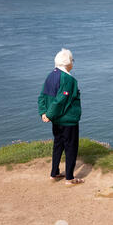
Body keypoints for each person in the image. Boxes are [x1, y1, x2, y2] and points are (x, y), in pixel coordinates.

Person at [38, 48, 83, 186]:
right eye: (72, 60)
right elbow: (61, 100)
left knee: (58, 144)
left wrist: (44, 113)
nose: (73, 63)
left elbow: (42, 96)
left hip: (56, 120)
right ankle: (69, 178)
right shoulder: (68, 79)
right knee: (71, 147)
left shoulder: (51, 75)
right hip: (68, 119)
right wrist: (49, 114)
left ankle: (54, 173)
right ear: (68, 62)